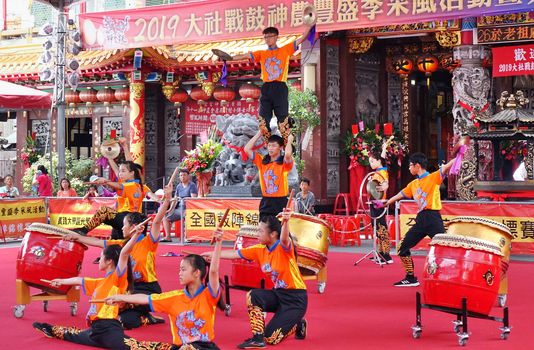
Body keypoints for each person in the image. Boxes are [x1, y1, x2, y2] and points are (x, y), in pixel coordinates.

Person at [32, 228, 167, 349]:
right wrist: (61, 281)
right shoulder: (100, 282)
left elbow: (124, 254)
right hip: (95, 330)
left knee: (135, 347)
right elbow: (79, 280)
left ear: (109, 261)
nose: (99, 259)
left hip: (109, 329)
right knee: (72, 334)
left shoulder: (117, 279)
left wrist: (135, 235)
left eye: (102, 256)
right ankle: (51, 329)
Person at [64, 184, 173, 330]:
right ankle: (145, 317)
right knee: (126, 320)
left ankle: (142, 312)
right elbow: (96, 242)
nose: (121, 228)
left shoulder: (149, 242)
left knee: (119, 305)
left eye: (124, 225)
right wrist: (75, 237)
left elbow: (158, 221)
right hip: (130, 288)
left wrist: (166, 199)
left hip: (148, 288)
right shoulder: (122, 244)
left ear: (134, 226)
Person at [202, 210, 307, 349]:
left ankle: (298, 323)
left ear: (273, 234)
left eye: (260, 231)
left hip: (296, 299)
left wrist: (286, 222)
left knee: (272, 338)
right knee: (254, 295)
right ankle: (257, 339)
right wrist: (213, 253)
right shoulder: (259, 249)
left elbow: (284, 239)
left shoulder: (284, 248)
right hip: (278, 294)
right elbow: (235, 254)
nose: (257, 234)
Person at [106, 226, 224, 350]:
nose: (179, 273)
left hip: (203, 347)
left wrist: (219, 242)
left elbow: (214, 271)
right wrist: (120, 297)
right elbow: (146, 299)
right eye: (180, 269)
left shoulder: (209, 295)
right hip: (180, 347)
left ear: (197, 273)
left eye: (183, 269)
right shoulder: (174, 297)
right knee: (143, 346)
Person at [382, 152, 458, 287]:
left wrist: (459, 156)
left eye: (410, 165)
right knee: (402, 247)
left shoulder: (433, 177)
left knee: (445, 248)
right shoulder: (413, 184)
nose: (409, 168)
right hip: (421, 218)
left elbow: (446, 167)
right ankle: (410, 277)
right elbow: (400, 194)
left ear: (417, 166)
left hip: (433, 218)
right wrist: (387, 202)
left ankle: (452, 277)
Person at [228, 26, 313, 140]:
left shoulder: (285, 50)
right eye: (265, 37)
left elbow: (302, 38)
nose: (267, 39)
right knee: (263, 120)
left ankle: (288, 146)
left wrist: (308, 26)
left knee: (282, 119)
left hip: (280, 87)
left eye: (269, 36)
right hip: (266, 87)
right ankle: (269, 146)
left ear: (276, 37)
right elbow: (245, 55)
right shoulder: (262, 53)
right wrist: (227, 58)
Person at [73, 161, 144, 240]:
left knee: (104, 211)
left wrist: (106, 182)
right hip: (127, 218)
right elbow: (119, 183)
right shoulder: (136, 185)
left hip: (128, 218)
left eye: (123, 171)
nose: (120, 173)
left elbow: (119, 186)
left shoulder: (131, 185)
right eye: (120, 171)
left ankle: (83, 230)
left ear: (132, 173)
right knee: (115, 244)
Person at [244, 130, 294, 220]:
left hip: (280, 201)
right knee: (264, 229)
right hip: (266, 201)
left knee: (280, 230)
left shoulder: (284, 163)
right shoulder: (262, 161)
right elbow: (247, 149)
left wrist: (289, 140)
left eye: (274, 146)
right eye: (269, 145)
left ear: (280, 147)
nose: (270, 148)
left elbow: (287, 154)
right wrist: (259, 133)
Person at [368, 152, 393, 264]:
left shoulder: (382, 172)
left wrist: (374, 187)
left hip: (379, 202)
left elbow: (385, 186)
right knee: (377, 227)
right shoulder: (377, 172)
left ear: (378, 161)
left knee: (381, 227)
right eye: (370, 162)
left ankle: (386, 255)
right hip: (374, 201)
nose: (371, 164)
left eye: (372, 161)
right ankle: (380, 253)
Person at [162, 168, 198, 242]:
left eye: (184, 175)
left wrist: (185, 204)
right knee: (165, 217)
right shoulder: (178, 186)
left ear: (188, 176)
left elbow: (193, 199)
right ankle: (168, 237)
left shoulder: (192, 185)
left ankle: (187, 237)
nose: (182, 177)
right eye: (181, 175)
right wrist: (170, 209)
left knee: (188, 216)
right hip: (179, 208)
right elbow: (175, 199)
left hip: (188, 208)